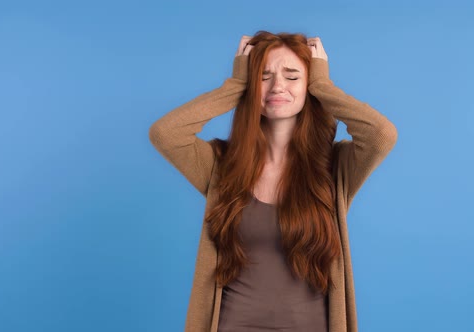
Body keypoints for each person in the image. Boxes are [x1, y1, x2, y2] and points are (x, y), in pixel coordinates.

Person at [149, 31, 398, 332]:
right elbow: (165, 133)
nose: (277, 86)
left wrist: (322, 85)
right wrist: (237, 84)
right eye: (264, 76)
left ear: (309, 86)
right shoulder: (221, 164)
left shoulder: (334, 167)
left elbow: (381, 135)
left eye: (292, 77)